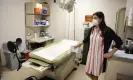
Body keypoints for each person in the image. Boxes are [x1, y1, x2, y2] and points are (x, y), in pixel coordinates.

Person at [74, 12, 123, 80]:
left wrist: (111, 53)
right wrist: (79, 44)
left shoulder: (107, 30)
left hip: (99, 57)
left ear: (101, 19)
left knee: (95, 75)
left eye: (95, 18)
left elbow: (119, 41)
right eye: (93, 18)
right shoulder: (92, 29)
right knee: (87, 72)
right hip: (90, 55)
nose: (93, 20)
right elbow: (87, 39)